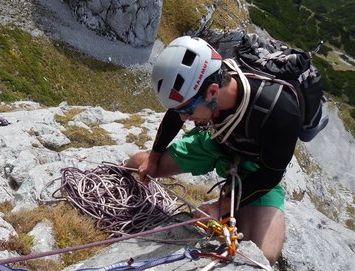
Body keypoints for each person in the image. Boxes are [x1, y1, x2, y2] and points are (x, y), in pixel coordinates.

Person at [125, 36, 301, 265]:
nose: (184, 119)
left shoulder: (280, 113)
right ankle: (119, 170)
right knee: (145, 165)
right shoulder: (208, 81)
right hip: (217, 140)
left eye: (187, 111)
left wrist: (220, 207)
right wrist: (154, 158)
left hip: (256, 167)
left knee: (263, 254)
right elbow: (175, 113)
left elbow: (270, 174)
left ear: (213, 92)